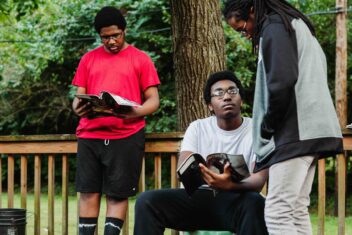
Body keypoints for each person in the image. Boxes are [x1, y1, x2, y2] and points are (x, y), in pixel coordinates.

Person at [223, 1, 343, 234]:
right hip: (312, 129)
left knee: (277, 212)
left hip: (295, 131)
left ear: (252, 11)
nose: (245, 33)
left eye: (242, 27)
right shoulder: (293, 25)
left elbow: (282, 82)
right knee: (296, 209)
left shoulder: (274, 27)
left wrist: (268, 127)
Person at [134, 71, 268, 235]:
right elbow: (184, 166)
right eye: (218, 93)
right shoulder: (197, 127)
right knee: (146, 201)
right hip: (200, 198)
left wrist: (229, 184)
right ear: (210, 105)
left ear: (241, 100)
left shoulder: (257, 130)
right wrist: (204, 174)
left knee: (255, 203)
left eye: (232, 91)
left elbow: (258, 180)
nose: (226, 97)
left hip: (237, 200)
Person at [71, 6, 160, 235]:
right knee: (88, 192)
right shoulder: (88, 59)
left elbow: (153, 101)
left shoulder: (140, 59)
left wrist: (134, 112)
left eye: (115, 35)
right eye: (105, 37)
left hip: (126, 135)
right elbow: (78, 96)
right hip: (90, 134)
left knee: (117, 194)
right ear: (99, 35)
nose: (111, 41)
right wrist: (78, 107)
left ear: (124, 31)